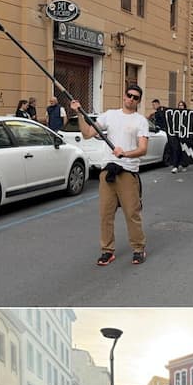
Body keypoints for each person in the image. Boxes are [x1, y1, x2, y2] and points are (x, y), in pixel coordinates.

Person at [70, 84, 150, 266]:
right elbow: (87, 133)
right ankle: (107, 250)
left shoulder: (140, 121)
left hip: (128, 172)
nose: (131, 99)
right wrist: (80, 114)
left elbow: (143, 149)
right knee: (106, 214)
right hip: (108, 172)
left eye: (136, 97)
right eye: (129, 95)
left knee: (132, 213)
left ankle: (138, 249)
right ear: (124, 96)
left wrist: (125, 154)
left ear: (138, 101)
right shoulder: (110, 115)